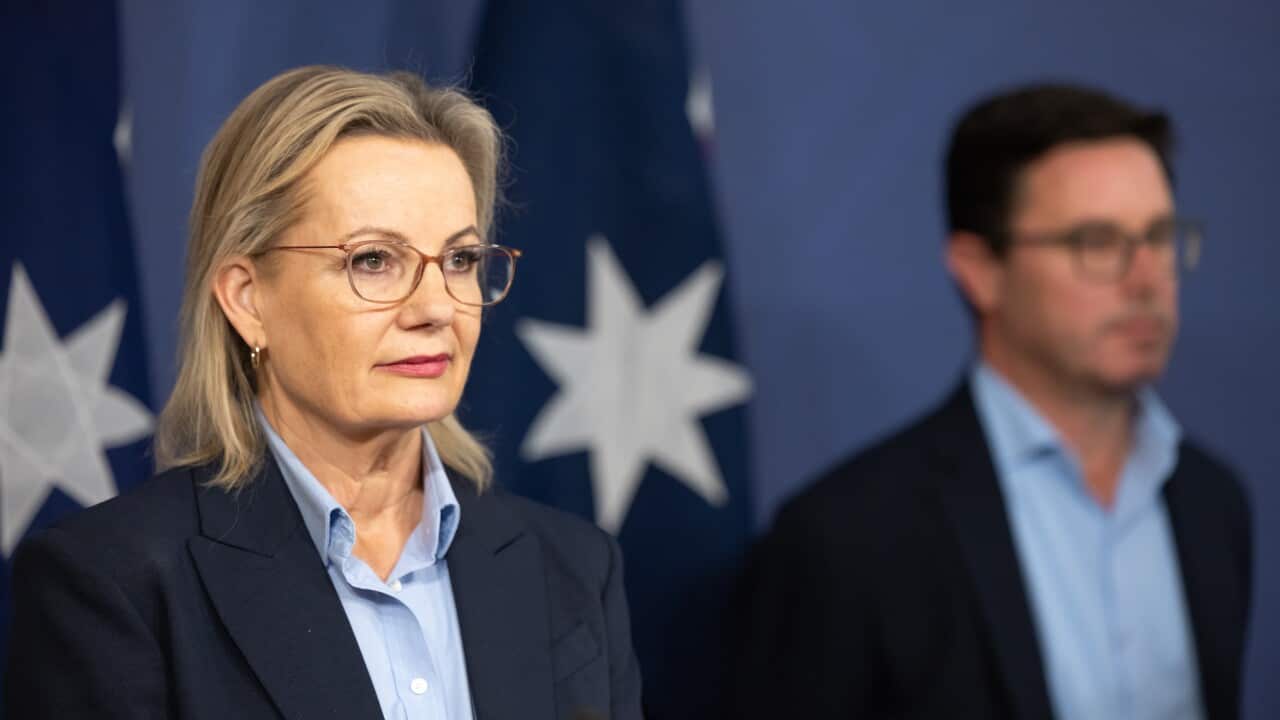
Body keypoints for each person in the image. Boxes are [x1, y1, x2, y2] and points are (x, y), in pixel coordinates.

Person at [5, 66, 642, 720]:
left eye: (460, 260)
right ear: (249, 300)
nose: (437, 308)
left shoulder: (573, 571)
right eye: (373, 260)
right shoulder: (116, 585)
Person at [730, 84, 1252, 720]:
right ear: (979, 269)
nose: (1147, 279)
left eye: (1162, 236)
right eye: (1096, 242)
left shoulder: (1212, 502)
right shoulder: (846, 540)